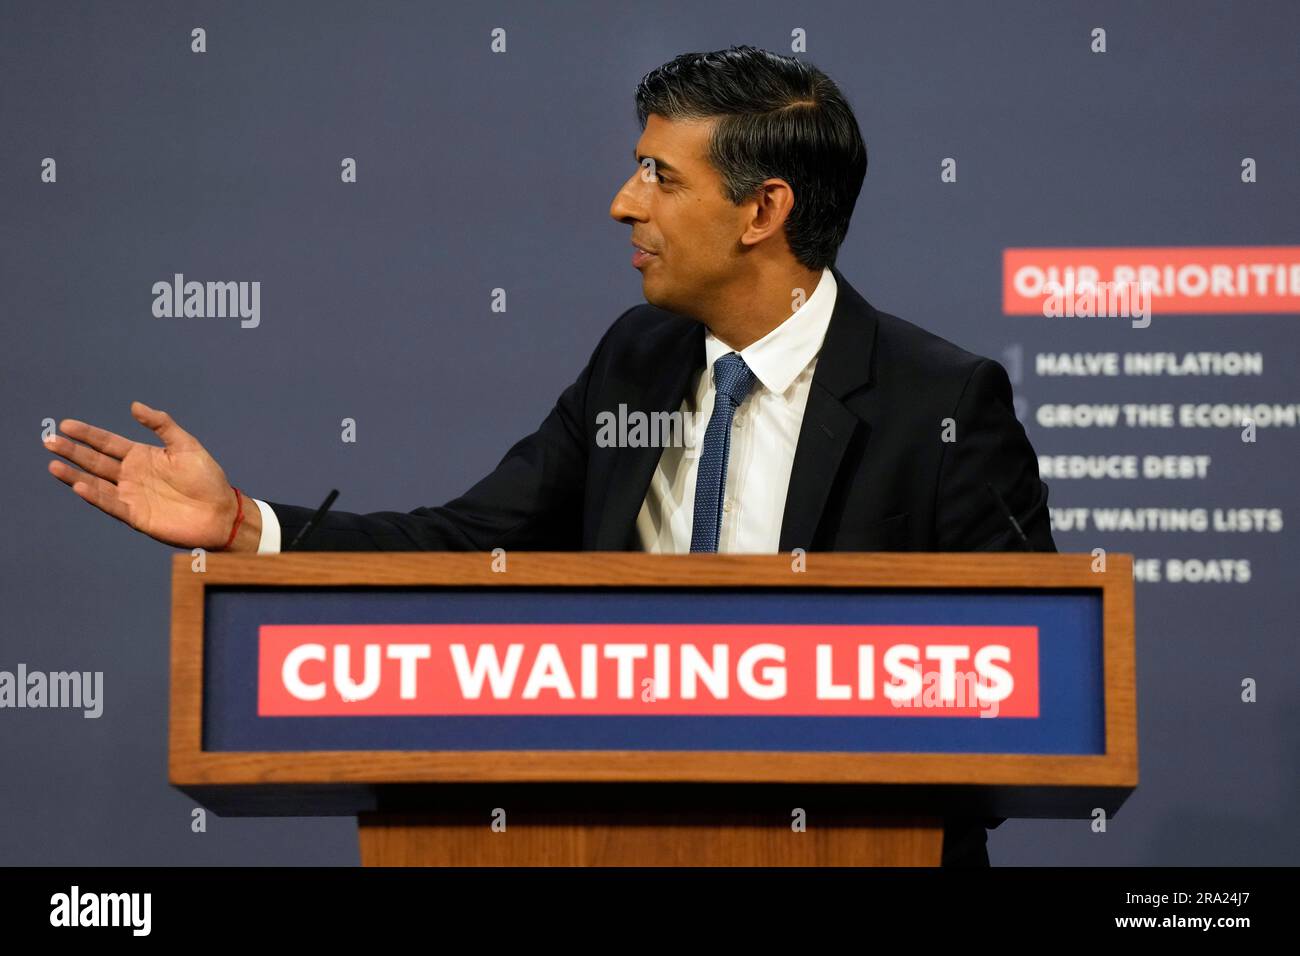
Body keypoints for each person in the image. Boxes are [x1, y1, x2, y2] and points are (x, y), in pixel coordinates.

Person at [42, 46, 1052, 865]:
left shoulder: (941, 401)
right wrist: (240, 525)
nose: (625, 202)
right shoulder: (636, 359)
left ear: (763, 211)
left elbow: (1020, 684)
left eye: (661, 176)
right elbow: (470, 544)